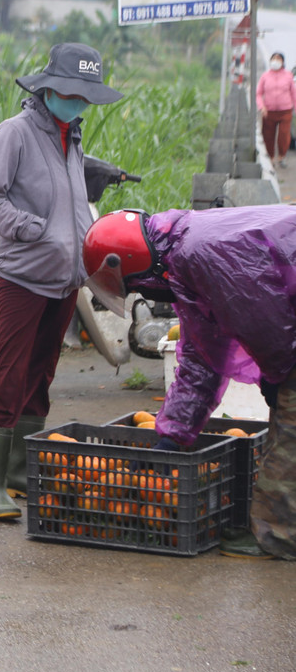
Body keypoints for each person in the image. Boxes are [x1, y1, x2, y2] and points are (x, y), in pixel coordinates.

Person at [0, 42, 124, 520]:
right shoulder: (13, 134)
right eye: (72, 93)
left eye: (85, 97)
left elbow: (73, 206)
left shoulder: (71, 137)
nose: (79, 103)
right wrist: (28, 227)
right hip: (22, 276)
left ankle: (19, 471)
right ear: (48, 87)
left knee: (41, 375)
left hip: (64, 279)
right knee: (8, 376)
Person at [85, 207, 296, 560]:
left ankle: (277, 536)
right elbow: (201, 358)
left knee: (290, 434)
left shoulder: (200, 252)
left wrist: (277, 373)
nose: (145, 293)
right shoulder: (183, 256)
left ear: (134, 262)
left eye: (136, 286)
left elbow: (265, 321)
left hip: (285, 333)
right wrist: (171, 437)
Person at [256, 51, 295, 168]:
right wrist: (261, 107)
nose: (276, 61)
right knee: (268, 135)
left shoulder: (288, 76)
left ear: (283, 62)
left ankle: (282, 156)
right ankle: (271, 158)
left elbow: (293, 94)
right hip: (269, 112)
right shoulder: (265, 76)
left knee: (284, 135)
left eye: (278, 59)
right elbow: (258, 93)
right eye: (274, 58)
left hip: (285, 111)